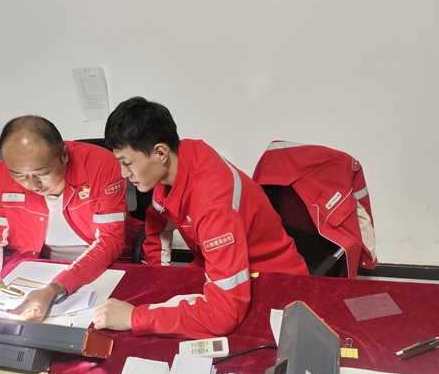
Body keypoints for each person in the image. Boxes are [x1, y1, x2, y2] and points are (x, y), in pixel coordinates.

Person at [92, 97, 309, 338]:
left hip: (273, 281)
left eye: (127, 163)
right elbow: (157, 222)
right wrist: (158, 277)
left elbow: (223, 315)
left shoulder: (212, 205)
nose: (123, 173)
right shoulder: (179, 160)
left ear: (160, 152)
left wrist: (134, 318)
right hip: (218, 264)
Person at [0, 115, 128, 321]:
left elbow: (110, 241)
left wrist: (56, 288)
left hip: (97, 265)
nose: (33, 185)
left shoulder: (101, 165)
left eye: (42, 173)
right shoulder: (0, 175)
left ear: (64, 155)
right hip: (34, 265)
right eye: (19, 175)